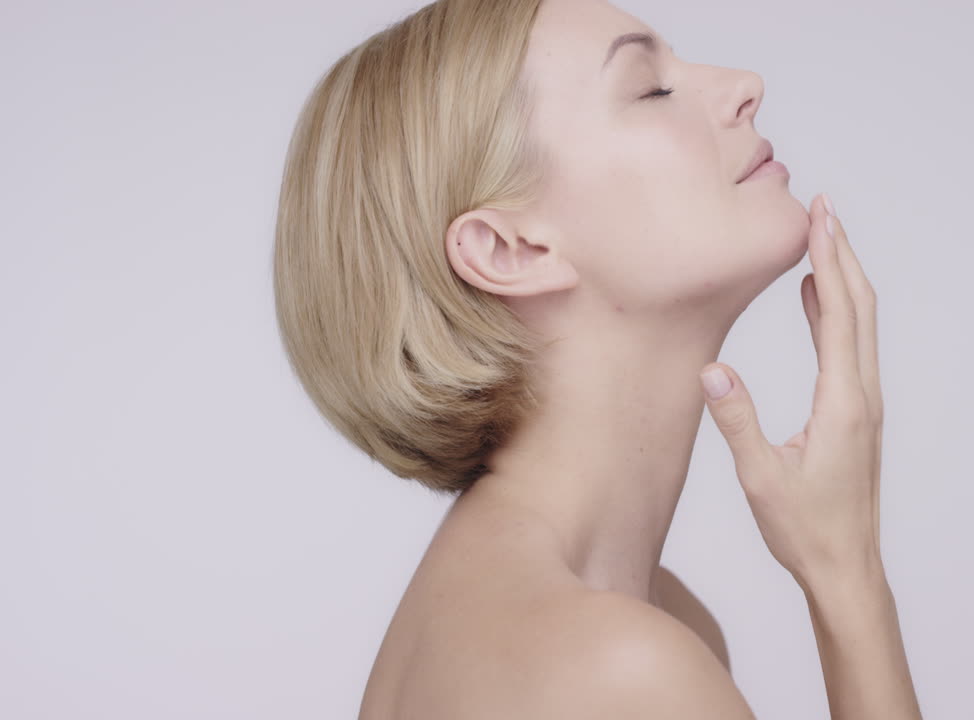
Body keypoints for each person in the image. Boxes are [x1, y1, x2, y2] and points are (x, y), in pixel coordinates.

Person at [272, 0, 923, 716]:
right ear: (510, 250)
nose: (746, 85)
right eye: (651, 89)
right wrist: (848, 576)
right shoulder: (618, 670)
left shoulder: (630, 619)